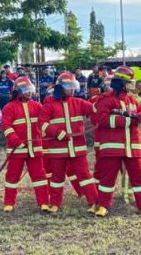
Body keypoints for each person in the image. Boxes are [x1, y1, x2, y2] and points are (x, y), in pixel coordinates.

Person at [91, 66, 141, 217]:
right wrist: (128, 121)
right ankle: (103, 205)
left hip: (132, 147)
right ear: (121, 82)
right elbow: (102, 120)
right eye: (129, 81)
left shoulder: (131, 101)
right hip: (112, 148)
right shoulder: (106, 100)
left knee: (139, 177)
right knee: (107, 178)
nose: (132, 84)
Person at [38, 72, 97, 213]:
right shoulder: (50, 105)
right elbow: (42, 124)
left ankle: (94, 201)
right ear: (60, 88)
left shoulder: (78, 102)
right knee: (57, 178)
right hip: (58, 150)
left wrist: (104, 99)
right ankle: (55, 203)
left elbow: (95, 108)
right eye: (69, 87)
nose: (72, 89)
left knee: (85, 176)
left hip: (77, 149)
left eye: (73, 86)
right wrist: (57, 133)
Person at [0, 76, 50, 213]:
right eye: (26, 90)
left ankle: (44, 202)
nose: (29, 92)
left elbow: (46, 119)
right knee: (12, 177)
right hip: (17, 150)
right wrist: (17, 141)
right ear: (18, 91)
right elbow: (7, 127)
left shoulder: (37, 106)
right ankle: (9, 203)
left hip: (35, 149)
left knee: (40, 177)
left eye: (30, 90)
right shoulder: (9, 108)